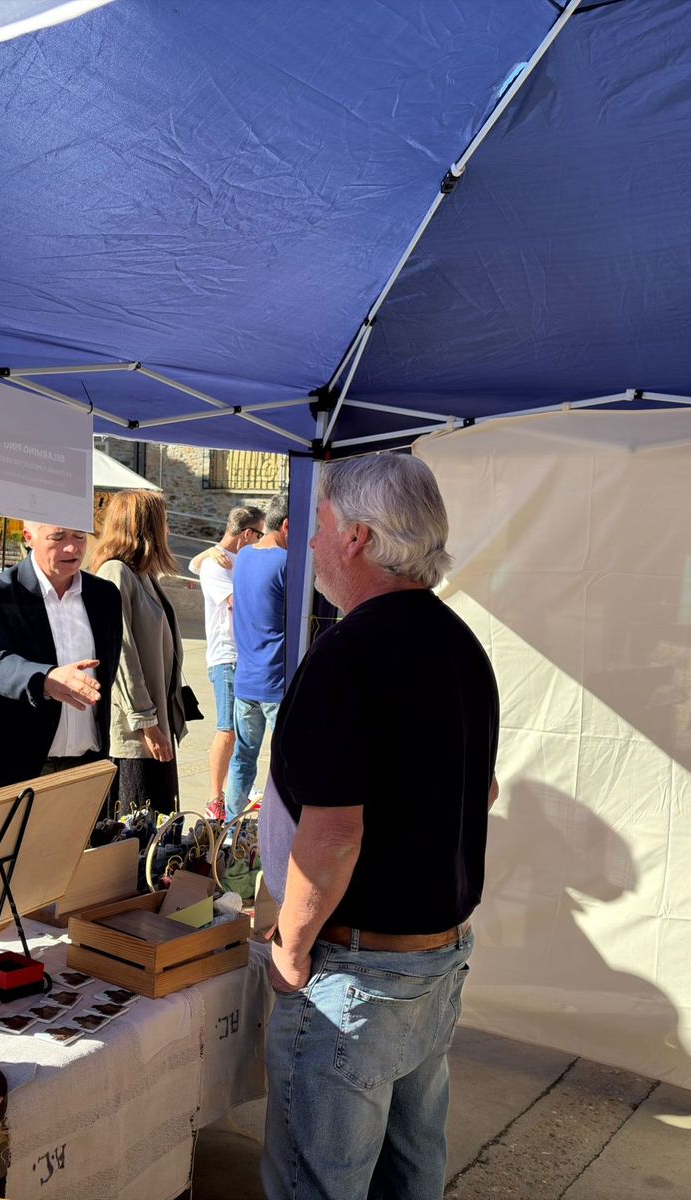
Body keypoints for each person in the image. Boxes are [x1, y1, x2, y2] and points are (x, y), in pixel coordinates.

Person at [260, 454, 499, 1200]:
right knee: (411, 1170)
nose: (311, 540)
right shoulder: (462, 645)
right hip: (433, 960)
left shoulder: (349, 653)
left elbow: (334, 834)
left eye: (321, 523)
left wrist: (292, 949)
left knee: (321, 1183)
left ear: (357, 537)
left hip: (358, 972)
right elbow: (480, 789)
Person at [0, 522, 122, 799]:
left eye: (79, 536)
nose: (71, 547)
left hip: (84, 769)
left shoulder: (105, 595)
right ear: (29, 537)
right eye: (57, 537)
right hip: (13, 769)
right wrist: (46, 680)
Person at [89, 489, 189, 815]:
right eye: (163, 521)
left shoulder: (143, 574)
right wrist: (147, 722)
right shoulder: (115, 573)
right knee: (137, 834)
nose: (168, 529)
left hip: (156, 724)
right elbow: (120, 656)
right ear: (145, 526)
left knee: (161, 835)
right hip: (137, 736)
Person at [188, 505, 264, 821]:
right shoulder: (216, 565)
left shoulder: (227, 559)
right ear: (247, 533)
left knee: (243, 729)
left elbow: (194, 563)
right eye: (260, 534)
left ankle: (238, 791)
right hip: (227, 657)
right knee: (227, 729)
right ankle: (215, 798)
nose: (263, 541)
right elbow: (239, 602)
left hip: (243, 655)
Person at [227, 492, 289, 820]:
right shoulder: (286, 564)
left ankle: (230, 826)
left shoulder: (246, 556)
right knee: (285, 763)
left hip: (246, 679)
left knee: (243, 759)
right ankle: (279, 828)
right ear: (288, 526)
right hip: (276, 683)